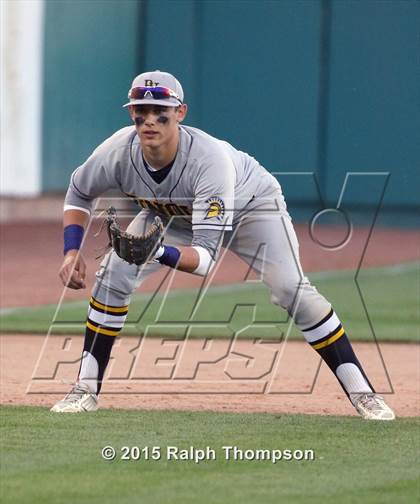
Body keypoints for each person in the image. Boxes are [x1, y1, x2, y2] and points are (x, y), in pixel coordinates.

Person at [51, 70, 395, 420]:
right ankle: (85, 390)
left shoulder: (207, 160)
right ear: (131, 113)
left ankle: (363, 393)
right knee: (114, 275)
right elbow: (79, 192)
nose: (150, 120)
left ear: (181, 113)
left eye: (161, 112)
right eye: (142, 110)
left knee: (292, 290)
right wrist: (71, 250)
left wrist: (155, 252)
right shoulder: (117, 151)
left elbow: (202, 261)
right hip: (173, 216)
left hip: (252, 207)